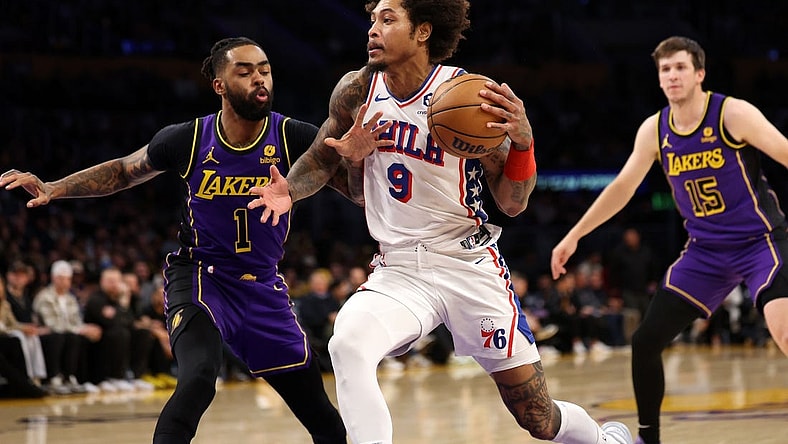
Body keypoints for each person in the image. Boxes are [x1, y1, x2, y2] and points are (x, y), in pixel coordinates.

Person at [248, 1, 633, 443]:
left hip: (466, 262)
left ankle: (604, 440)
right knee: (348, 344)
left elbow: (512, 202)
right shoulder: (356, 91)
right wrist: (289, 190)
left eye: (387, 19)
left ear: (423, 31)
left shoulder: (470, 96)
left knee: (537, 418)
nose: (372, 29)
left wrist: (523, 142)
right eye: (373, 19)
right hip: (399, 268)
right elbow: (319, 156)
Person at [0, 36, 377, 443]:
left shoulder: (293, 137)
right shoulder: (189, 139)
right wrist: (56, 187)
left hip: (262, 285)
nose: (259, 79)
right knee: (198, 378)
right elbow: (124, 171)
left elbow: (356, 194)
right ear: (219, 85)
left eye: (265, 69)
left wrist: (355, 161)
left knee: (317, 408)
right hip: (201, 278)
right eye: (245, 71)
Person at [550, 35, 788, 444]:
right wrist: (574, 234)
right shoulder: (655, 129)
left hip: (760, 241)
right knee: (645, 340)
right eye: (665, 69)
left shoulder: (732, 113)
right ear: (659, 79)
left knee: (784, 332)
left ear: (699, 74)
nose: (672, 75)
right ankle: (649, 438)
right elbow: (623, 187)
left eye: (680, 67)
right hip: (706, 252)